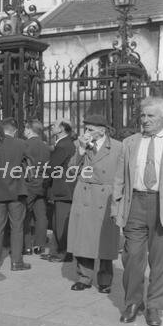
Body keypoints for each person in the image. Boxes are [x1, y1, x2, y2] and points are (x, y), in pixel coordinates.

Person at [113, 97, 163, 326]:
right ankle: (133, 302)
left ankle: (155, 306)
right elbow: (119, 179)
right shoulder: (130, 142)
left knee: (161, 261)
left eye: (151, 116)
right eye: (143, 115)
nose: (145, 120)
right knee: (132, 257)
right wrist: (116, 208)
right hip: (135, 203)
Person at [67, 114, 121, 293]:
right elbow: (70, 172)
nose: (86, 133)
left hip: (106, 197)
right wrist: (81, 152)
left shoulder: (118, 147)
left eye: (90, 129)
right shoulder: (79, 145)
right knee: (83, 240)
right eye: (86, 129)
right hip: (85, 196)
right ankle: (84, 278)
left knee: (105, 241)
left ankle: (105, 281)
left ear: (102, 130)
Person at [0, 117, 30, 270]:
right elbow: (31, 165)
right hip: (16, 190)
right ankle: (16, 262)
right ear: (14, 131)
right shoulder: (21, 144)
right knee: (17, 227)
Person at [41, 120, 76, 263]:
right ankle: (55, 251)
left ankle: (64, 253)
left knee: (61, 223)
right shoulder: (64, 143)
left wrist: (45, 168)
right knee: (57, 221)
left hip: (63, 187)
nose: (52, 128)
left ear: (62, 128)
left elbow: (52, 166)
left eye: (54, 126)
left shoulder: (63, 144)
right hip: (62, 187)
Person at [22, 119, 51, 255]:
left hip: (28, 183)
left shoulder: (25, 144)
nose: (23, 131)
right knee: (41, 216)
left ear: (28, 129)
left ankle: (27, 246)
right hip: (42, 183)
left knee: (25, 215)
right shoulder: (46, 146)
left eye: (25, 129)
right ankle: (39, 245)